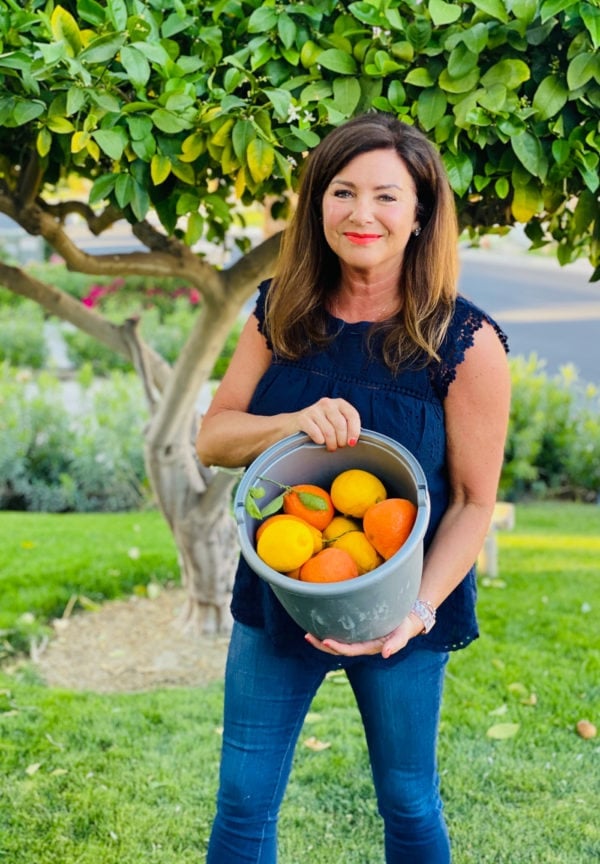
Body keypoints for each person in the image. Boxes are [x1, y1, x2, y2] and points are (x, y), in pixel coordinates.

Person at [196, 112, 511, 863]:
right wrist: (290, 424)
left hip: (405, 602)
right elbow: (213, 438)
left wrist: (415, 611)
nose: (361, 214)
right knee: (241, 803)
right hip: (283, 584)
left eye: (386, 196)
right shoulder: (279, 311)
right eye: (341, 192)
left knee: (407, 802)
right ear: (317, 204)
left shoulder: (463, 343)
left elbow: (472, 503)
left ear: (420, 213)